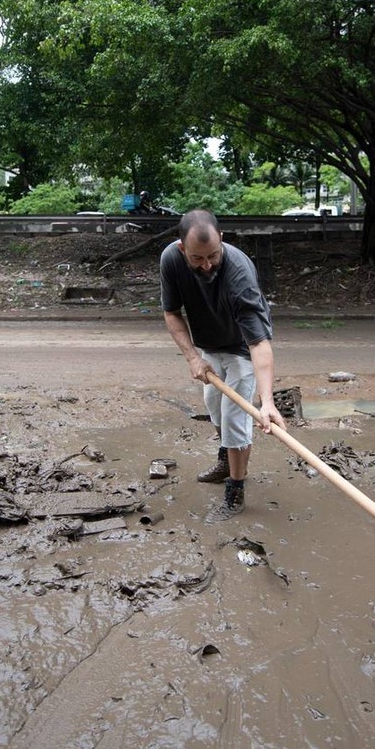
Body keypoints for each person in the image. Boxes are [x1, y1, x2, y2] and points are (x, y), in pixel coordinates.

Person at [160, 209, 286, 521]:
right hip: (208, 345)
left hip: (242, 348)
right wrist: (192, 356)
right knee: (214, 405)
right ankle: (225, 460)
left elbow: (258, 342)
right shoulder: (171, 260)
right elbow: (172, 312)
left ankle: (236, 489)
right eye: (197, 259)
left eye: (213, 255)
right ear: (181, 249)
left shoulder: (239, 272)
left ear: (222, 242)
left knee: (234, 418)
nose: (207, 265)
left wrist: (267, 402)